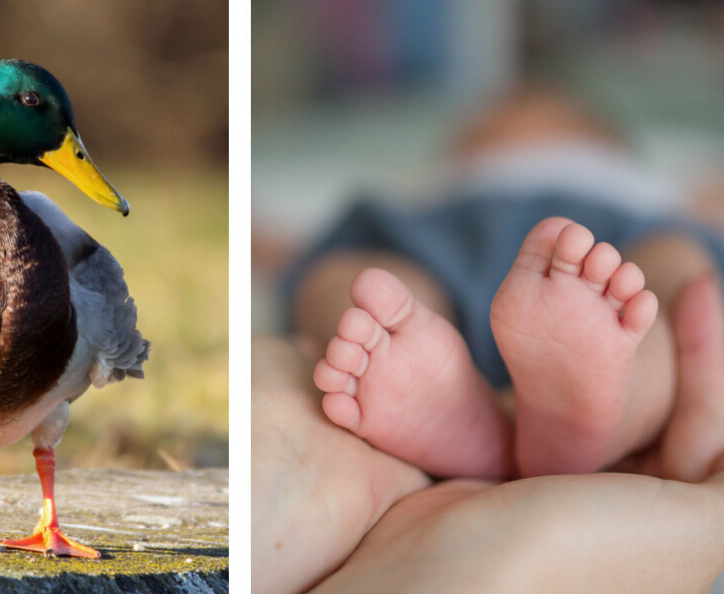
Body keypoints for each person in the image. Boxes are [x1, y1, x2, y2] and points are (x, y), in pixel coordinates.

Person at [288, 87, 724, 477]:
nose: (527, 126)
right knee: (355, 280)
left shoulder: (651, 191)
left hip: (605, 238)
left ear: (609, 144)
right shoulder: (440, 189)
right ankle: (450, 403)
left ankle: (613, 410)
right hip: (455, 234)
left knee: (673, 268)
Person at [252, 275, 724, 593]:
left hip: (452, 248)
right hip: (584, 260)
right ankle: (563, 424)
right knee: (666, 279)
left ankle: (581, 419)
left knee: (347, 273)